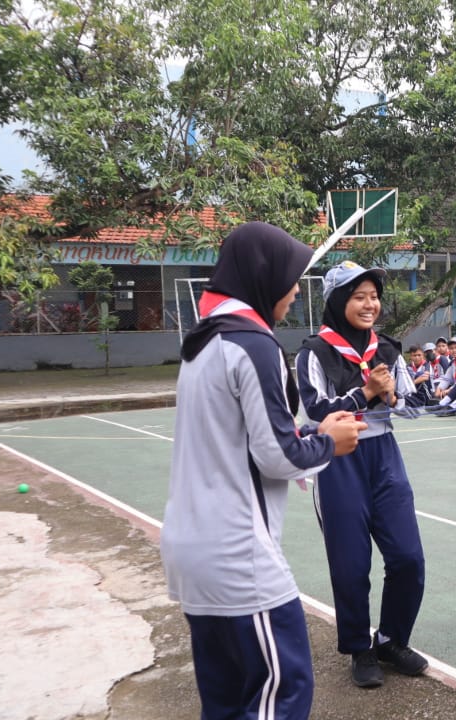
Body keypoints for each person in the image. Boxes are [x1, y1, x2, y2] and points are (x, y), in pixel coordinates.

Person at [161, 222, 366, 719]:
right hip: (238, 556)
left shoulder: (205, 341)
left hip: (192, 552)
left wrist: (307, 434)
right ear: (264, 277)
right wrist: (328, 443)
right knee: (284, 689)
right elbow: (277, 457)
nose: (296, 292)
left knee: (227, 700)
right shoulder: (255, 344)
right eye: (292, 278)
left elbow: (247, 441)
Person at [295, 261, 428, 688]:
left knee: (408, 557)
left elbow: (415, 407)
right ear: (337, 301)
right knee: (351, 566)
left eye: (373, 296)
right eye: (358, 296)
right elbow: (318, 410)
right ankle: (359, 648)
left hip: (384, 456)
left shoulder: (388, 349)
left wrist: (392, 394)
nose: (369, 304)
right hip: (337, 459)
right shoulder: (313, 351)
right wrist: (367, 392)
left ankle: (390, 639)